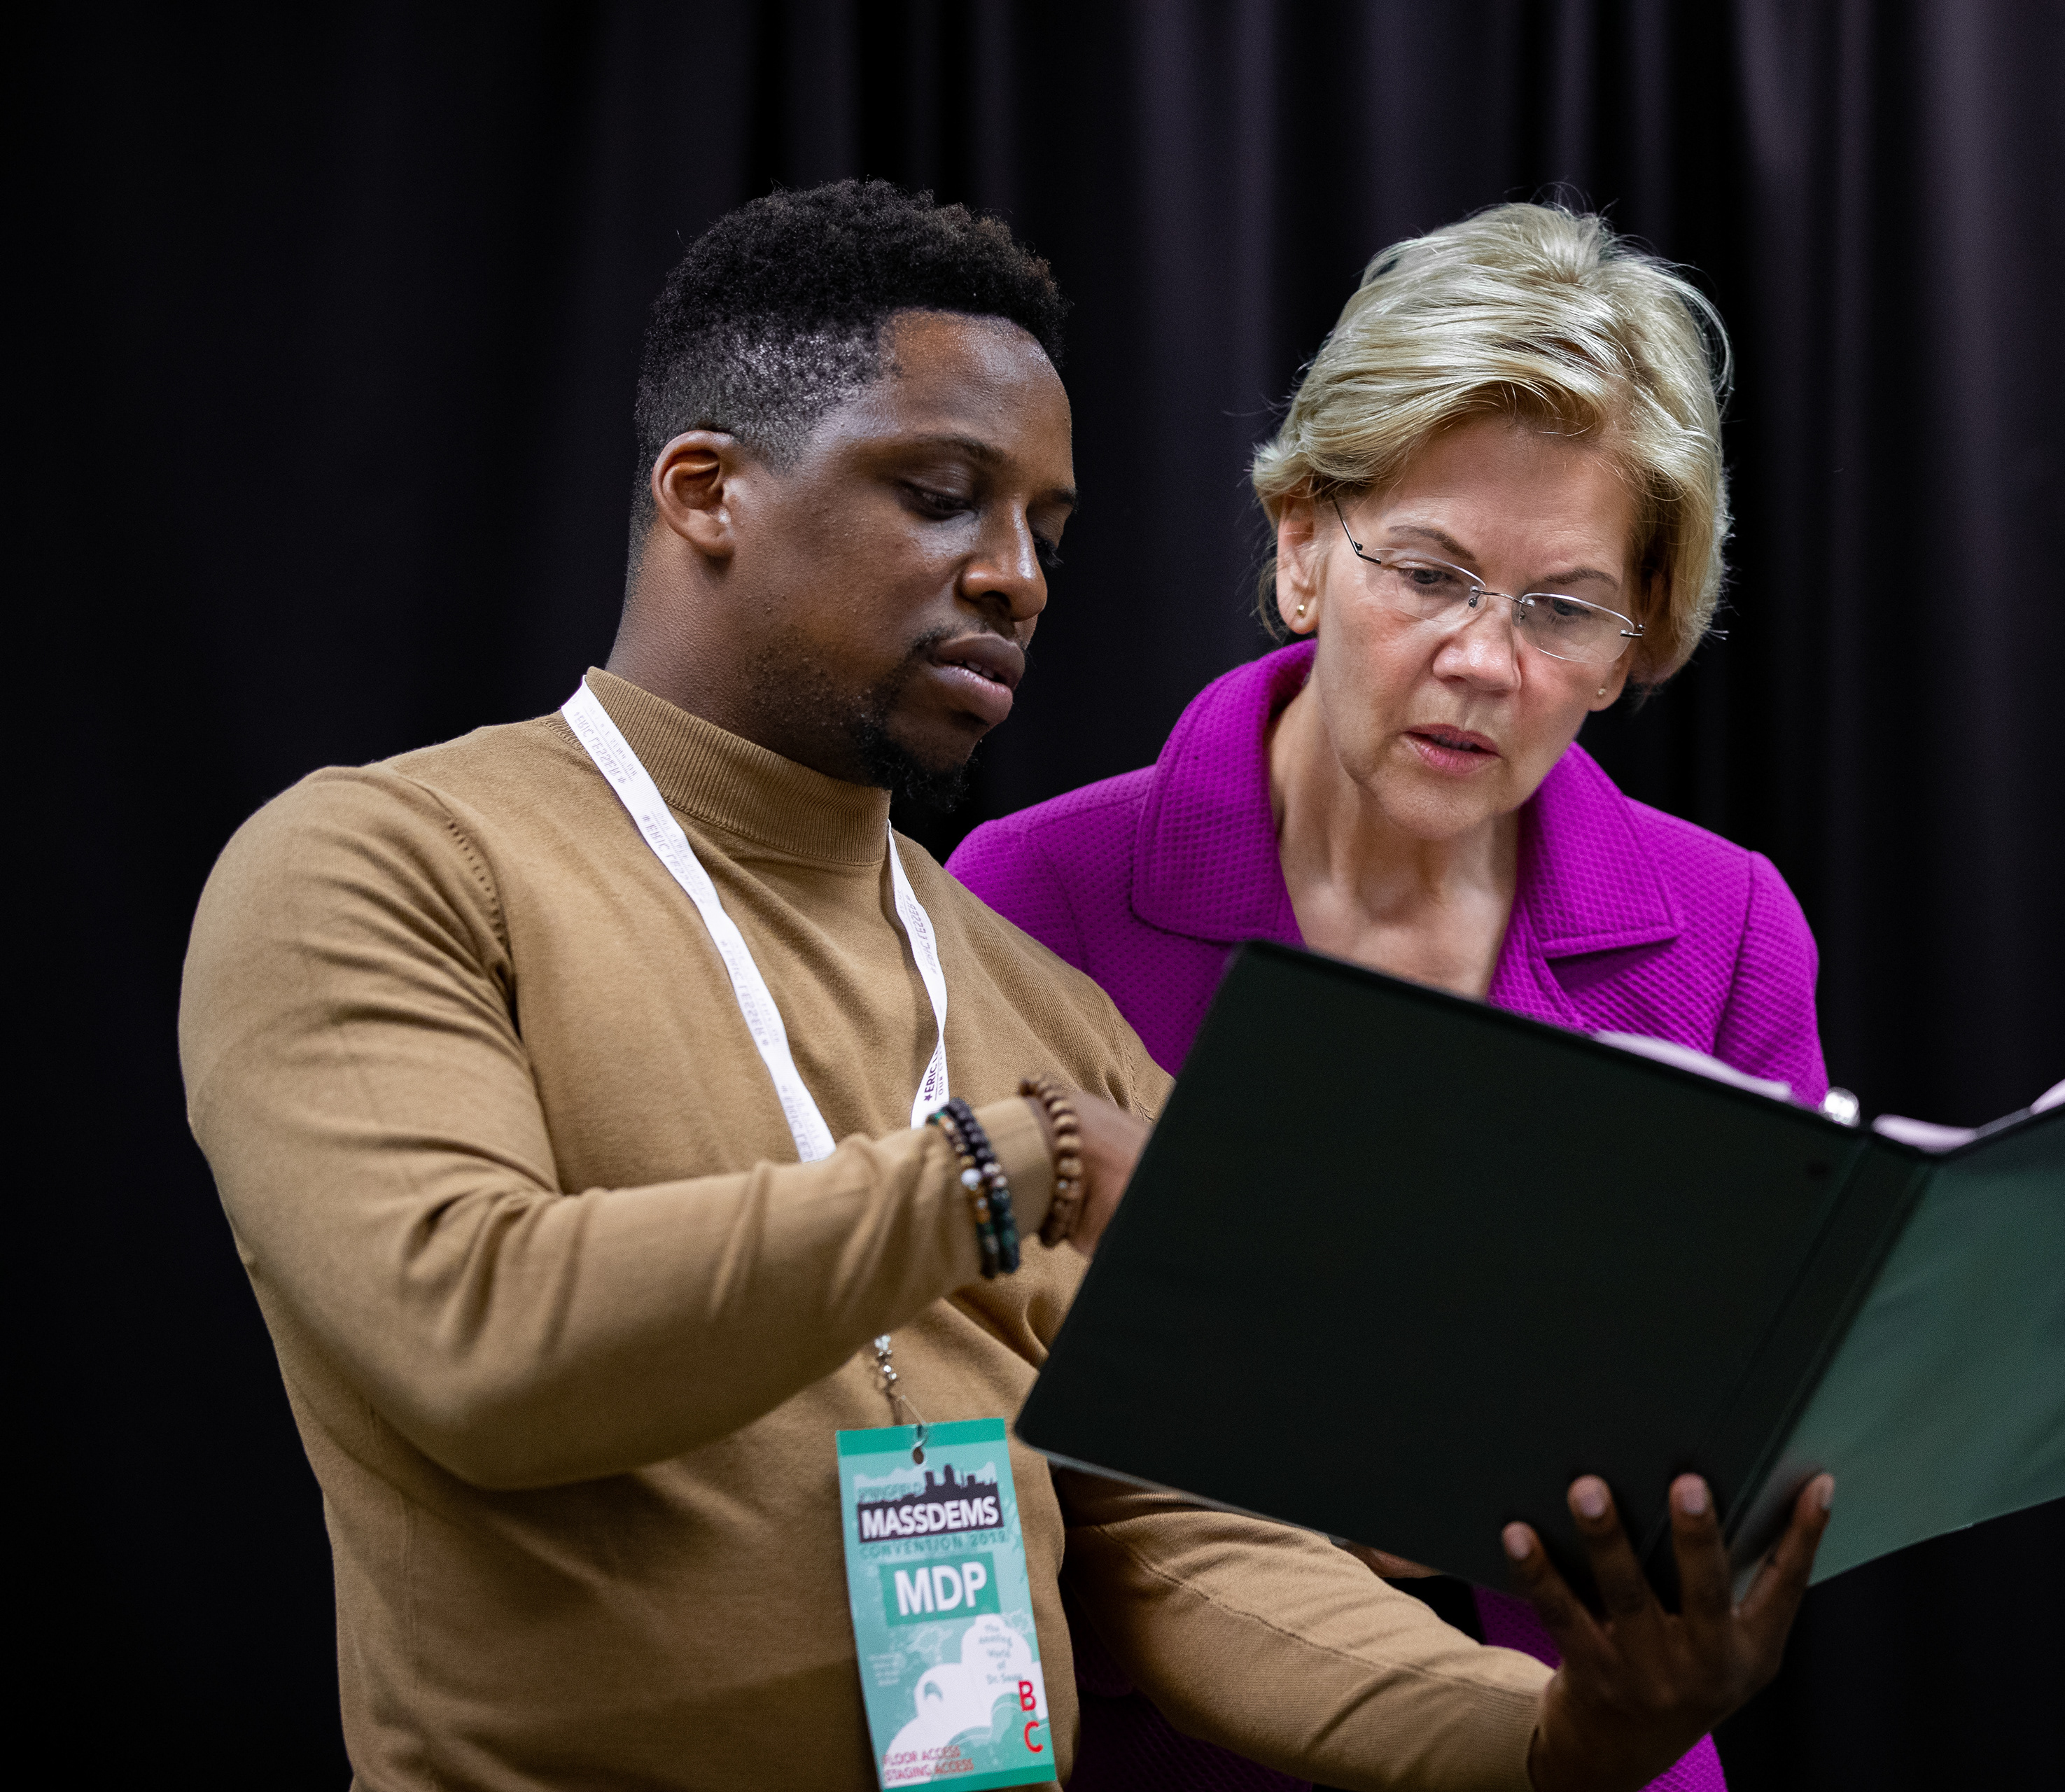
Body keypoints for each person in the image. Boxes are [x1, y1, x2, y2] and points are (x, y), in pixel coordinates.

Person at [177, 181, 1831, 1792]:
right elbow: (480, 1336)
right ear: (705, 491)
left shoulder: (1026, 985)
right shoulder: (382, 863)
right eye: (939, 493)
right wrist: (1005, 1168)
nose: (1016, 576)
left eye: (1045, 526)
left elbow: (1188, 1541)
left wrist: (1559, 1735)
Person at [951, 202, 1828, 1792]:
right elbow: (955, 1440)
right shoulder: (1034, 892)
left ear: (1636, 645)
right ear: (1299, 544)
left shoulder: (1728, 925)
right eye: (1427, 573)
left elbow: (1760, 1430)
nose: (1484, 659)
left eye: (1563, 606)